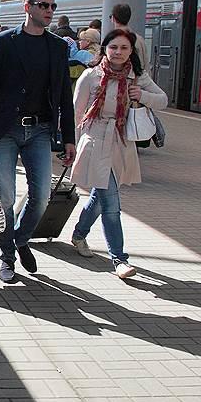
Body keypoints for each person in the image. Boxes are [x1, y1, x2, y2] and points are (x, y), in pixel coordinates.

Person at [0, 0, 76, 284]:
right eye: (44, 5)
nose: (50, 10)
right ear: (27, 7)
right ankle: (7, 256)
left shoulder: (58, 47)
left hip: (40, 131)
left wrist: (69, 138)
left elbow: (64, 96)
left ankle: (20, 239)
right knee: (5, 197)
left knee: (41, 196)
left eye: (53, 6)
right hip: (4, 131)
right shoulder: (4, 41)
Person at [69, 29, 168, 278]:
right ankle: (119, 259)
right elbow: (76, 114)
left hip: (121, 143)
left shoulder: (137, 77)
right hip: (94, 142)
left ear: (131, 51)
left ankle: (79, 234)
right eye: (114, 47)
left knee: (101, 196)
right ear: (105, 48)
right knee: (111, 204)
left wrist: (142, 95)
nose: (118, 52)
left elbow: (163, 100)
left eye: (124, 48)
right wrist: (74, 147)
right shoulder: (91, 76)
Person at [109, 3, 150, 76]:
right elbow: (146, 65)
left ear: (113, 18)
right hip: (139, 80)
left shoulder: (111, 40)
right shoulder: (140, 39)